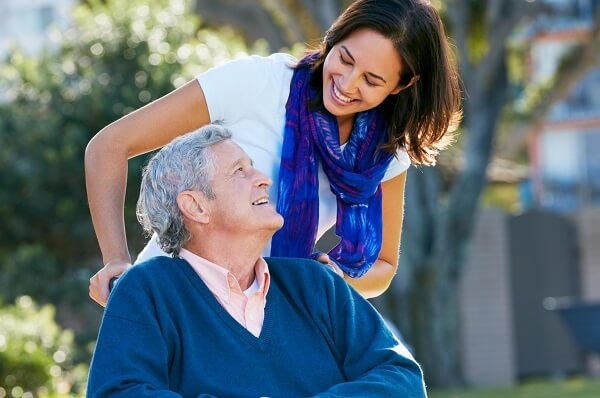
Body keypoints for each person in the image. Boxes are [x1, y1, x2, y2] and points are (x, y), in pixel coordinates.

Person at [86, 0, 461, 305]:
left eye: (372, 80)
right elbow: (109, 146)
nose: (347, 84)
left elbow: (383, 267)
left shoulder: (385, 152)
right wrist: (116, 260)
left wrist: (328, 281)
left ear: (402, 85)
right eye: (345, 60)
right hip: (172, 301)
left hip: (264, 322)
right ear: (333, 38)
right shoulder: (259, 83)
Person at [86, 126, 427, 397]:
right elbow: (117, 393)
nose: (263, 178)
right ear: (196, 206)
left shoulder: (316, 283)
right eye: (240, 171)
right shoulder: (147, 291)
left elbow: (402, 380)